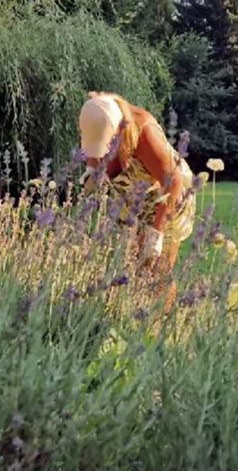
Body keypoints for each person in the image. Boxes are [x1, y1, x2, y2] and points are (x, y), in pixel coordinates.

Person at [79, 92, 195, 309]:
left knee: (158, 269)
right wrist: (91, 170)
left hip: (169, 198)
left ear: (119, 130)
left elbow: (173, 182)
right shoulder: (94, 116)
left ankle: (162, 324)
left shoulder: (144, 132)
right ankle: (133, 317)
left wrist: (156, 234)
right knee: (132, 265)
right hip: (133, 199)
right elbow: (93, 149)